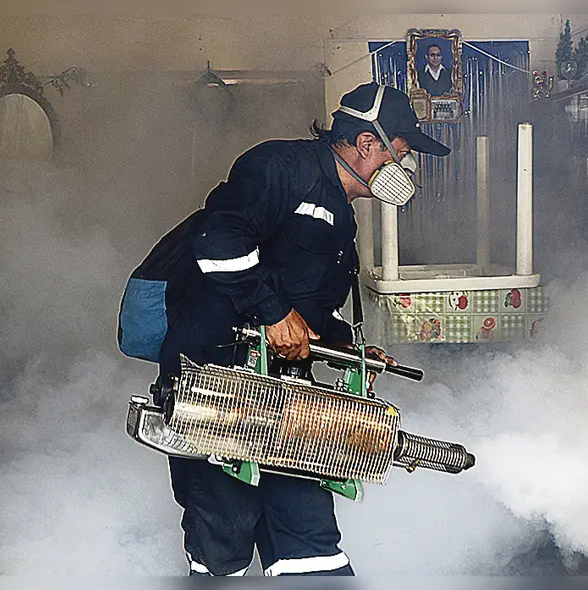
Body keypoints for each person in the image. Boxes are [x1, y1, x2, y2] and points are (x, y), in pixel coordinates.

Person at [157, 83, 451, 576]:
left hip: (287, 401)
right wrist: (271, 312)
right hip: (215, 382)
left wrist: (347, 348)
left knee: (309, 539)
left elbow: (308, 310)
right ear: (366, 144)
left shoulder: (341, 219)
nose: (402, 171)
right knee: (223, 536)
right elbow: (216, 239)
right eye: (400, 155)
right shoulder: (279, 167)